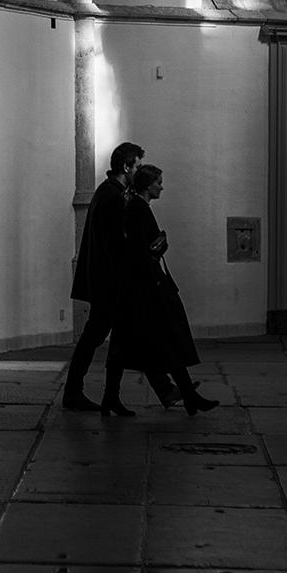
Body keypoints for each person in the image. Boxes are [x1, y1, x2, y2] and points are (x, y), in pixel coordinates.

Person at [63, 143, 177, 414]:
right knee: (122, 337)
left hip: (108, 282)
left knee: (115, 338)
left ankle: (109, 395)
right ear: (126, 167)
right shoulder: (113, 196)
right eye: (137, 166)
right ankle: (162, 389)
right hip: (111, 284)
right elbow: (116, 244)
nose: (139, 171)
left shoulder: (110, 192)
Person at [112, 163, 220, 415]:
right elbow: (140, 250)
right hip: (149, 287)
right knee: (167, 341)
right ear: (148, 185)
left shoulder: (137, 207)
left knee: (161, 344)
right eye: (158, 182)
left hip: (147, 284)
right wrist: (158, 248)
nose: (162, 186)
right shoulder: (138, 209)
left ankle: (185, 395)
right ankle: (187, 396)